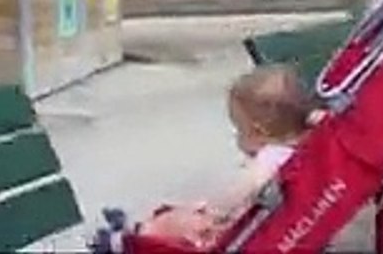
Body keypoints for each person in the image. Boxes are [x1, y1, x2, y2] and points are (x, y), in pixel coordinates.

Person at [137, 64, 326, 247]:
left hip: (259, 231)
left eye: (239, 129)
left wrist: (215, 210)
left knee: (167, 227)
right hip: (300, 217)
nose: (237, 136)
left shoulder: (271, 159)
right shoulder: (316, 139)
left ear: (259, 132)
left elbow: (246, 186)